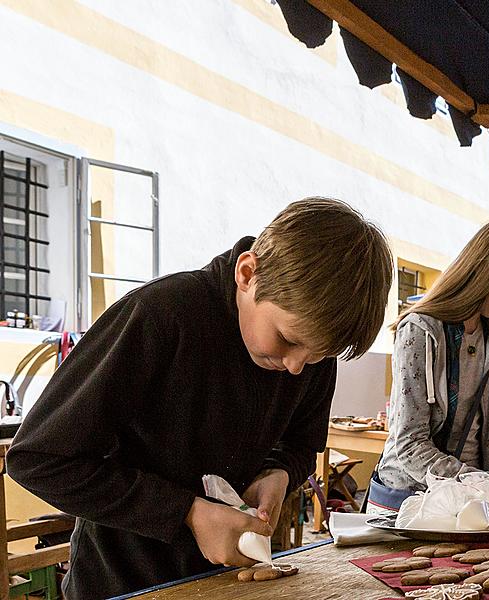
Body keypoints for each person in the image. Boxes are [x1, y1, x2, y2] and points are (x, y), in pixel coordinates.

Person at [6, 198, 394, 599]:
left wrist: (277, 474)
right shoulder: (161, 315)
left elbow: (300, 443)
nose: (297, 367)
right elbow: (38, 459)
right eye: (288, 340)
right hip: (122, 583)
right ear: (247, 273)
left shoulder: (311, 346)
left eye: (317, 356)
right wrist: (186, 512)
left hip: (231, 584)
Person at [368, 217, 489, 513]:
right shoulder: (420, 330)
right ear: (485, 268)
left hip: (472, 502)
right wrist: (482, 482)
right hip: (410, 501)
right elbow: (410, 445)